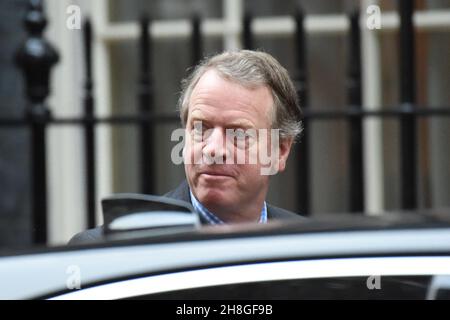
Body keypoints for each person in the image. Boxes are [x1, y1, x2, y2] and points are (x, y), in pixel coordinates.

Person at [69, 50, 304, 244]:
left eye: (238, 134)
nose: (213, 150)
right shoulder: (109, 251)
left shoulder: (306, 250)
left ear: (280, 150)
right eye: (201, 128)